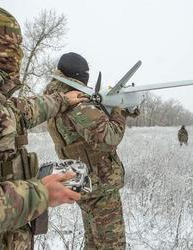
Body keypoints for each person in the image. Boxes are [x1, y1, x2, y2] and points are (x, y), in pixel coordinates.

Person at [0, 6, 87, 250]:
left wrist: (64, 100)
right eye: (17, 46)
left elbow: (23, 112)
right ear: (2, 46)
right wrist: (41, 194)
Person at [45, 52, 139, 250]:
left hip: (82, 180)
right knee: (110, 245)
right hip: (100, 183)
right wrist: (120, 110)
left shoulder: (54, 98)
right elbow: (109, 137)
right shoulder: (76, 102)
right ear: (79, 76)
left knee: (94, 242)